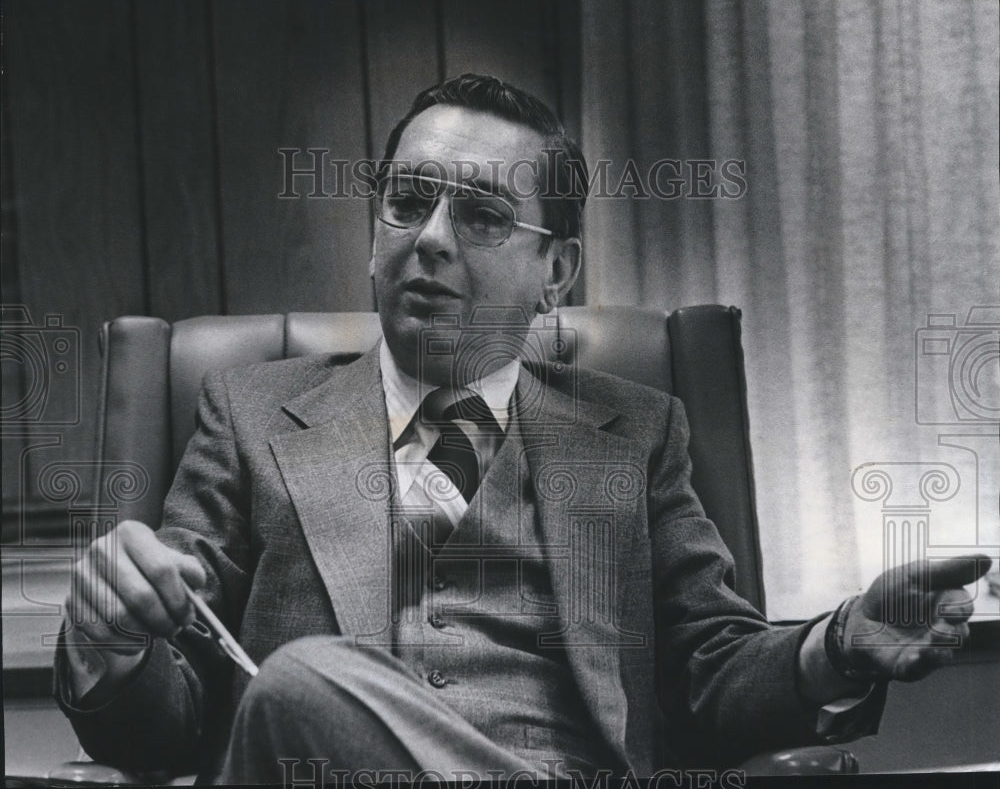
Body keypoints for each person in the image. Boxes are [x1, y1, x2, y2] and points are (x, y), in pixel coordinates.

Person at [55, 74, 989, 784]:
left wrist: (838, 643)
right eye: (408, 200)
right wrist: (114, 641)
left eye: (484, 215)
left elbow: (711, 672)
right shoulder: (248, 414)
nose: (429, 238)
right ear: (373, 228)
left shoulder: (636, 432)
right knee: (299, 687)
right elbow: (161, 727)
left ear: (558, 270)